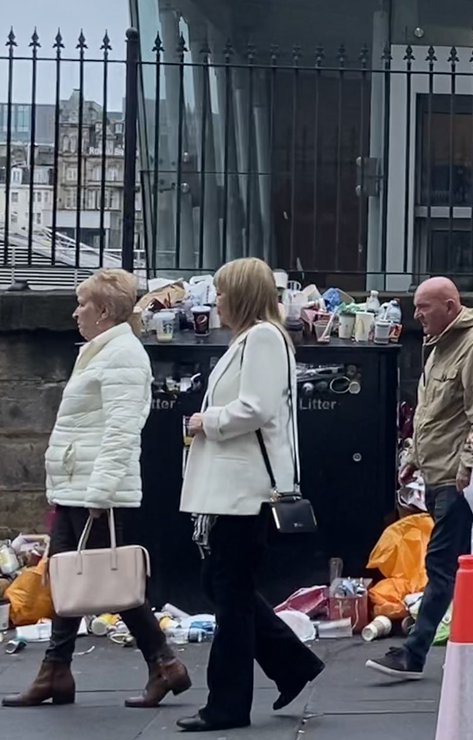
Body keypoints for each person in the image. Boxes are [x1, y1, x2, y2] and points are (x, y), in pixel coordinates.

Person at [3, 270, 190, 710]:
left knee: (110, 580)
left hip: (95, 489)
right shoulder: (101, 351)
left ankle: (163, 663)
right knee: (68, 577)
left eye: (82, 304)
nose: (75, 312)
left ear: (103, 311)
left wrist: (100, 493)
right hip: (78, 483)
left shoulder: (122, 354)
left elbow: (122, 430)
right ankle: (58, 670)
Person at [177, 257, 324, 732]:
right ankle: (292, 664)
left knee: (231, 597)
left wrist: (207, 421)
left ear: (240, 296)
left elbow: (255, 408)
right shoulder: (253, 339)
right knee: (223, 586)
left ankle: (228, 704)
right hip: (236, 489)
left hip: (245, 491)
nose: (215, 301)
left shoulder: (262, 338)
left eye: (221, 293)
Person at [366, 276, 473, 679]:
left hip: (458, 479)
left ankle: (413, 653)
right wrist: (413, 457)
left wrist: (467, 467)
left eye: (423, 307)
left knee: (442, 564)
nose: (416, 316)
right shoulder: (438, 346)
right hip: (437, 474)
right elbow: (430, 413)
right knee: (470, 564)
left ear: (449, 306)